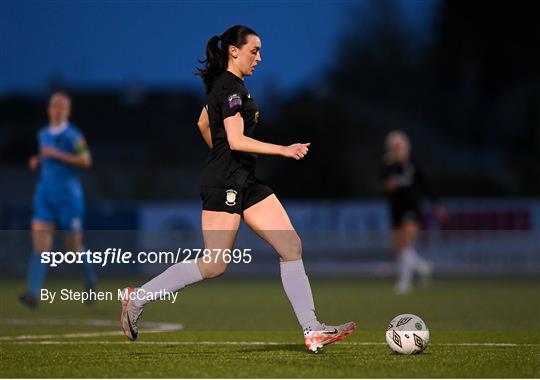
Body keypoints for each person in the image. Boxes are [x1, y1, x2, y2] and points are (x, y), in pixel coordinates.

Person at [120, 25, 355, 352]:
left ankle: (311, 329)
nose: (259, 57)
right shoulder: (229, 88)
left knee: (291, 246)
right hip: (224, 184)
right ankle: (137, 298)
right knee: (214, 265)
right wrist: (282, 149)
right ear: (234, 51)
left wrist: (220, 153)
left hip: (246, 181)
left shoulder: (234, 88)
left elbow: (204, 123)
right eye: (254, 50)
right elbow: (234, 139)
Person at [19, 92, 96, 308]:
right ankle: (33, 293)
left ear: (68, 111)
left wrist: (56, 155)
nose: (58, 110)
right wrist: (37, 159)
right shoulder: (42, 134)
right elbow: (47, 154)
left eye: (62, 107)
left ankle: (90, 280)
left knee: (73, 247)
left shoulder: (74, 136)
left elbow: (86, 160)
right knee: (40, 245)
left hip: (69, 199)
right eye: (55, 106)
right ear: (49, 109)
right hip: (45, 195)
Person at [381, 130, 447, 295]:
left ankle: (404, 283)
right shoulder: (387, 165)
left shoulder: (413, 165)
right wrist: (389, 184)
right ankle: (422, 267)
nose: (398, 149)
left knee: (405, 245)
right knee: (399, 249)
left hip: (412, 209)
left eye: (400, 146)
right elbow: (384, 185)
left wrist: (437, 205)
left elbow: (426, 185)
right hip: (395, 210)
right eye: (395, 146)